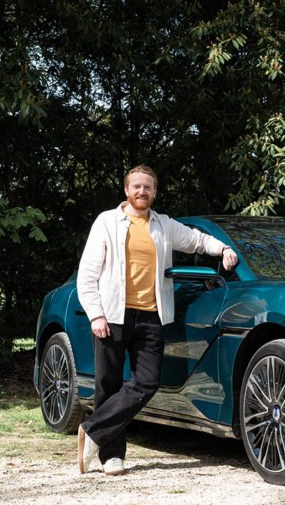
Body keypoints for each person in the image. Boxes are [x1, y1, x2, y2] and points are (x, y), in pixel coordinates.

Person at [75, 165, 238, 475]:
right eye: (136, 186)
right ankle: (112, 456)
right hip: (112, 314)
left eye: (147, 187)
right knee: (108, 384)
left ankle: (93, 429)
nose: (142, 191)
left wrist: (223, 248)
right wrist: (96, 314)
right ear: (126, 190)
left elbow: (196, 240)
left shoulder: (163, 225)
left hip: (151, 315)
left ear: (155, 192)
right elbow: (88, 274)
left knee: (148, 382)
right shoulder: (107, 222)